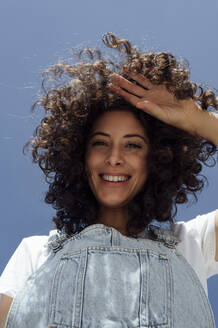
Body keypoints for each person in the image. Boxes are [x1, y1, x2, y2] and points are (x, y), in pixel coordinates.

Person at [0, 33, 218, 327]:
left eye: (133, 145)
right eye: (101, 143)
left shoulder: (191, 244)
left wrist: (196, 120)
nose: (115, 157)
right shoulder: (34, 254)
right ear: (80, 156)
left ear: (156, 159)